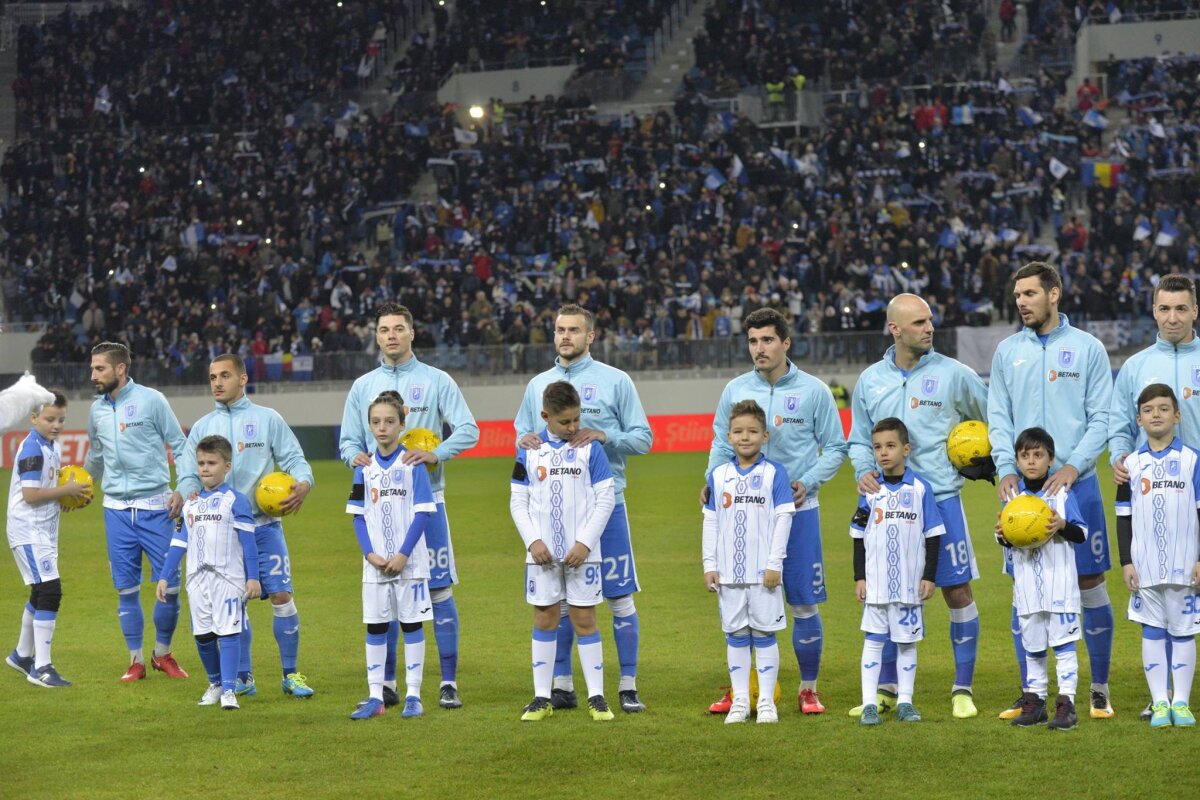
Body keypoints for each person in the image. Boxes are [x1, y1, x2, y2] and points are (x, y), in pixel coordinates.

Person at [849, 294, 988, 719]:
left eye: (930, 320)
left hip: (941, 500)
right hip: (886, 505)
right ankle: (888, 690)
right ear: (895, 329)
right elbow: (857, 438)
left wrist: (981, 460)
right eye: (919, 322)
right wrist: (862, 469)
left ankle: (962, 689)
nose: (930, 328)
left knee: (957, 590)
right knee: (888, 594)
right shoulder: (871, 381)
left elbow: (991, 421)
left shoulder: (956, 375)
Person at [989, 262, 1116, 719]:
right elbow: (999, 417)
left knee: (1089, 582)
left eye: (1029, 294)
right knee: (1024, 586)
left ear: (1054, 294)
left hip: (1078, 486)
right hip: (1022, 493)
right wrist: (1005, 466)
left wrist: (1074, 466)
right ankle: (1033, 693)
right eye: (1017, 295)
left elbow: (1102, 418)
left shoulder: (1087, 349)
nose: (1021, 301)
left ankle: (1098, 690)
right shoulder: (1007, 352)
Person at [705, 307, 847, 716]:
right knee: (741, 601)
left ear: (786, 343)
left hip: (798, 513)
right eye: (752, 341)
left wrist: (808, 482)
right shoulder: (734, 390)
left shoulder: (814, 391)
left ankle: (808, 688)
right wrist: (713, 480)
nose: (759, 348)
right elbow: (719, 441)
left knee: (802, 603)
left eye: (767, 340)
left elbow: (835, 447)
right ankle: (742, 689)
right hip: (741, 518)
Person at [515, 304, 652, 713]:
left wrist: (603, 436)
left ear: (590, 336)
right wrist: (524, 441)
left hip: (606, 508)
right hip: (554, 514)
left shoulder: (616, 381)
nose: (565, 336)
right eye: (559, 329)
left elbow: (644, 439)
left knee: (619, 598)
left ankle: (627, 685)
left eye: (574, 330)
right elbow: (523, 437)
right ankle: (561, 685)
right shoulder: (538, 384)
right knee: (557, 602)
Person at [341, 303, 479, 709]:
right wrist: (356, 458)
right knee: (385, 588)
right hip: (379, 502)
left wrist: (438, 455)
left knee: (438, 589)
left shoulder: (436, 380)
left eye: (399, 328)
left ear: (412, 333)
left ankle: (447, 682)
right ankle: (386, 684)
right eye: (384, 329)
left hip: (426, 502)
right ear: (377, 336)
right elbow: (348, 441)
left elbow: (469, 429)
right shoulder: (362, 386)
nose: (391, 336)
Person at [175, 354, 316, 699]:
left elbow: (295, 459)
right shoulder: (202, 427)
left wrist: (304, 482)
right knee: (233, 604)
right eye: (212, 377)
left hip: (263, 525)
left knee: (281, 595)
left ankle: (291, 674)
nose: (217, 382)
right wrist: (183, 492)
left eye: (224, 375)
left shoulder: (268, 419)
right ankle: (243, 677)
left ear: (243, 379)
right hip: (220, 533)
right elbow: (187, 472)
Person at [1109, 274, 1200, 720]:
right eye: (1164, 309)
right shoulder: (1137, 366)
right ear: (1153, 312)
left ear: (1195, 311)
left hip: (1194, 487)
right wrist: (1117, 458)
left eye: (1181, 308)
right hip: (1158, 492)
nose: (1172, 317)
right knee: (1168, 600)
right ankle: (1164, 695)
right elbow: (1118, 422)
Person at [511, 381, 617, 722]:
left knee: (585, 619)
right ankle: (542, 697)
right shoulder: (529, 450)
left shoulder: (590, 449)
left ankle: (597, 697)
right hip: (541, 555)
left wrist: (585, 543)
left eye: (576, 420)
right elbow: (518, 502)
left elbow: (606, 498)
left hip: (582, 554)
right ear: (546, 416)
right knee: (545, 617)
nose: (573, 428)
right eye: (565, 422)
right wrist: (533, 541)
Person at [84, 342, 190, 682]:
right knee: (126, 589)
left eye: (99, 368)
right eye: (92, 368)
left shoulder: (152, 400)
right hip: (116, 511)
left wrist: (183, 488)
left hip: (156, 508)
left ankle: (163, 653)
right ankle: (136, 661)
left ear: (120, 369)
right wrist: (82, 485)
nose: (93, 375)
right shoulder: (96, 410)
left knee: (169, 586)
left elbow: (181, 444)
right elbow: (96, 456)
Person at [346, 391, 436, 721]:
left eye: (389, 421)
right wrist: (369, 554)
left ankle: (413, 694)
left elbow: (423, 513)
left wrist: (402, 554)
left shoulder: (412, 465)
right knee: (375, 626)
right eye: (375, 422)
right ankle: (375, 695)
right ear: (369, 425)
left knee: (412, 624)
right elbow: (357, 515)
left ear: (401, 424)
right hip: (375, 566)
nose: (382, 428)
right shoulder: (364, 468)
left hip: (409, 564)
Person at [703, 399, 793, 724]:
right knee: (737, 636)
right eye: (738, 431)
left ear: (765, 436)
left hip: (763, 575)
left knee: (765, 635)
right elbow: (710, 521)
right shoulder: (718, 475)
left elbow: (784, 518)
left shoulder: (774, 474)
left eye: (752, 431)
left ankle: (766, 702)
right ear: (728, 436)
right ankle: (740, 700)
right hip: (728, 574)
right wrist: (708, 564)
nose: (745, 437)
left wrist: (775, 564)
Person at [1116, 384, 1200, 729]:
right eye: (1149, 410)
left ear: (1177, 416)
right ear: (1139, 419)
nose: (1156, 415)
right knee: (1151, 631)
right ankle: (1160, 702)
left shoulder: (1193, 460)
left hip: (1186, 565)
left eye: (1164, 409)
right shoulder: (1130, 466)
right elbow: (1123, 516)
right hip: (1146, 565)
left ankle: (1181, 702)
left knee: (1183, 632)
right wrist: (1126, 561)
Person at [158, 435, 261, 710]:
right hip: (196, 580)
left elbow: (249, 544)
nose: (205, 468)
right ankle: (215, 683)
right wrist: (165, 576)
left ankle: (229, 690)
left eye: (212, 463)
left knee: (227, 633)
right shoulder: (190, 504)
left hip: (228, 579)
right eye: (201, 463)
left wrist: (253, 577)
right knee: (203, 635)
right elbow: (179, 543)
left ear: (227, 466)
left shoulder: (236, 501)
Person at [995, 427, 1088, 730]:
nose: (1031, 461)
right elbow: (1009, 541)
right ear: (1017, 460)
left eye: (1038, 455)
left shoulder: (1061, 494)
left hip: (1059, 583)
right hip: (1026, 589)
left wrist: (1061, 524)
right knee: (1033, 647)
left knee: (1063, 646)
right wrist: (1002, 535)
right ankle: (1035, 703)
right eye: (1025, 455)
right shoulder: (1014, 498)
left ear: (1050, 459)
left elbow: (1082, 533)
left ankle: (1067, 704)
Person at [852, 418, 942, 726]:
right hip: (876, 585)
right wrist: (859, 577)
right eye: (877, 447)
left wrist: (929, 576)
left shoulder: (920, 489)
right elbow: (857, 536)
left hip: (909, 585)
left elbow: (933, 535)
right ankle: (868, 704)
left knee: (906, 643)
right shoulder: (869, 489)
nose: (883, 453)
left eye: (890, 446)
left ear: (906, 449)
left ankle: (905, 701)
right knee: (873, 641)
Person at [6, 390, 91, 687]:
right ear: (33, 417)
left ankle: (21, 655)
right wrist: (65, 491)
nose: (56, 424)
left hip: (41, 530)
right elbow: (30, 495)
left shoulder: (50, 446)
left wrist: (66, 500)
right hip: (28, 530)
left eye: (61, 420)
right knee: (50, 592)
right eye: (49, 418)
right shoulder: (32, 449)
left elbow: (44, 490)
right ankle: (42, 667)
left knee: (40, 592)